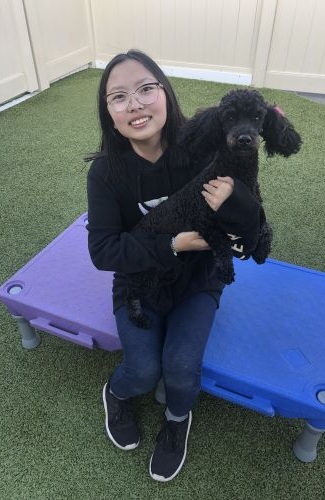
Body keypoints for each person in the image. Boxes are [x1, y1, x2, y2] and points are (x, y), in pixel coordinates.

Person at [86, 49, 264, 482]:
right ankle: (117, 391)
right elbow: (104, 250)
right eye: (119, 97)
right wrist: (173, 243)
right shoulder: (106, 172)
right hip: (139, 283)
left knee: (182, 369)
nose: (136, 104)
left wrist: (237, 203)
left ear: (165, 93)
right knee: (144, 371)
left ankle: (177, 419)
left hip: (198, 280)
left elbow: (253, 224)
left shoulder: (205, 148)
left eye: (147, 89)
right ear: (109, 113)